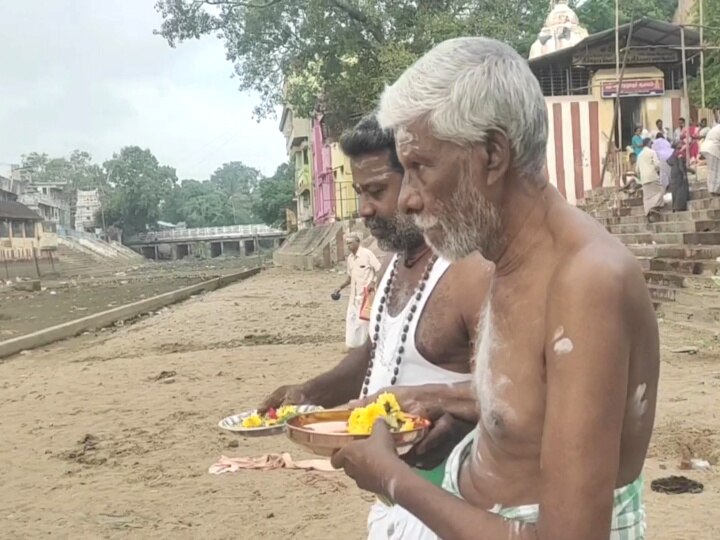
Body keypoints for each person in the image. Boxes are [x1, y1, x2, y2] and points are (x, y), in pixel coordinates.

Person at [331, 37, 659, 540]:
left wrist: (392, 479)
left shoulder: (587, 282)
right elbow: (537, 401)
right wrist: (441, 399)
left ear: (491, 155)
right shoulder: (505, 258)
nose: (410, 200)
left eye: (420, 167)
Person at [261, 113, 493, 540]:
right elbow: (376, 353)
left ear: (418, 179)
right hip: (398, 501)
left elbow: (508, 398)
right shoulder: (392, 262)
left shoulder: (470, 270)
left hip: (458, 506)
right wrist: (307, 395)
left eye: (377, 191)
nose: (365, 209)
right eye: (358, 193)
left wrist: (441, 415)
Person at [333, 232, 382, 349]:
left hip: (366, 295)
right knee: (351, 320)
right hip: (353, 296)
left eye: (350, 243)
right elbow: (350, 277)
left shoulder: (367, 254)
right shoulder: (350, 259)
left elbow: (379, 270)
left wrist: (373, 282)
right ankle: (352, 346)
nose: (348, 245)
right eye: (347, 243)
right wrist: (340, 287)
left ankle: (366, 347)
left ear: (358, 242)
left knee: (364, 322)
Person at [668, 145, 690, 211]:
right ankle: (680, 206)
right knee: (681, 190)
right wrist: (684, 175)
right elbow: (681, 165)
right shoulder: (680, 153)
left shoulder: (673, 154)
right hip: (679, 173)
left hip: (673, 173)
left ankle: (674, 207)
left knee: (674, 191)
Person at [700, 123, 720, 195]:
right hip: (712, 149)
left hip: (706, 148)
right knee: (716, 170)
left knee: (711, 170)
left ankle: (712, 189)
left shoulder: (716, 127)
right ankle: (715, 190)